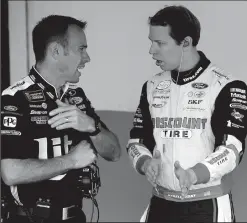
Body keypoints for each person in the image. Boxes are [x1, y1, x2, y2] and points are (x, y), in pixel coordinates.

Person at [126, 5, 247, 223]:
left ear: (186, 43)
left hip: (207, 204)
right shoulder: (152, 86)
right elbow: (136, 140)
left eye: (160, 43)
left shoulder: (226, 86)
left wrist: (195, 174)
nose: (151, 50)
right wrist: (144, 162)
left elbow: (232, 149)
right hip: (160, 202)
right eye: (151, 42)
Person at [1, 15, 121, 223]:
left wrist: (91, 127)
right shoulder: (14, 98)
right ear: (56, 51)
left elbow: (115, 153)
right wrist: (71, 161)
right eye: (81, 49)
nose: (87, 58)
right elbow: (10, 173)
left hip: (75, 216)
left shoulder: (76, 96)